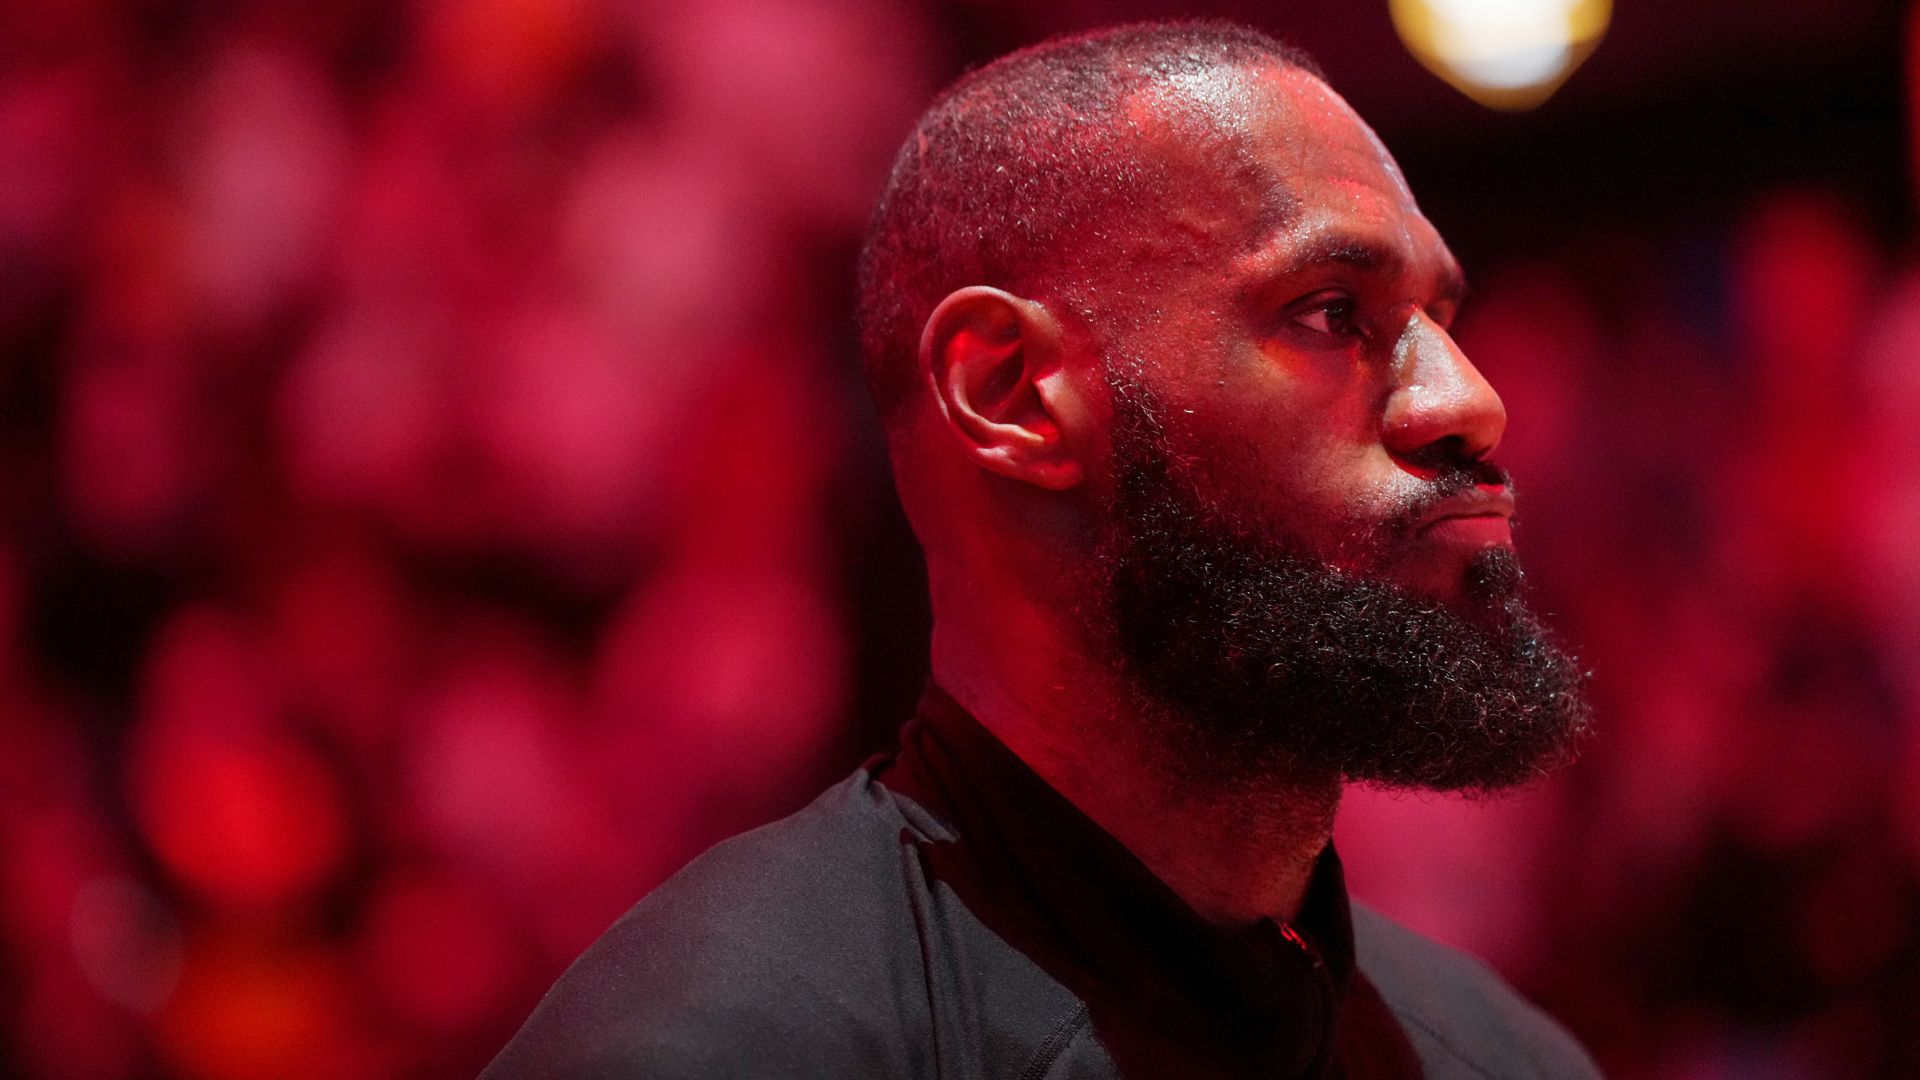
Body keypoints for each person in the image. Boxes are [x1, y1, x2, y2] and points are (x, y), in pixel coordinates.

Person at [483, 20, 1600, 1079]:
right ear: (1010, 393)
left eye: (1442, 321)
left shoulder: (1507, 1061)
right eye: (1329, 311)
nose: (1470, 401)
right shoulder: (716, 1049)